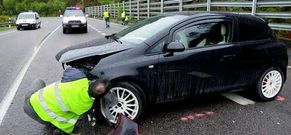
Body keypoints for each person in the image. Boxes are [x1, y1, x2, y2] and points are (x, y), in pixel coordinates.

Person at [23, 67, 110, 135]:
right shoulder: (84, 105)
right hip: (36, 112)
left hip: (35, 99)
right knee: (60, 120)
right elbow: (78, 122)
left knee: (39, 81)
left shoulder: (79, 79)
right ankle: (56, 128)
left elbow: (70, 71)